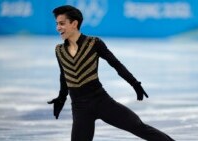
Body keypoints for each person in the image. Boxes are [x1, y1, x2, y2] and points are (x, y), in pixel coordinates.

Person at [48, 5, 175, 141]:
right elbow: (64, 74)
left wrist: (134, 83)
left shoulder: (93, 43)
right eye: (57, 24)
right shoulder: (59, 50)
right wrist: (62, 97)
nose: (58, 27)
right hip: (80, 108)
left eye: (62, 23)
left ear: (74, 24)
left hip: (101, 102)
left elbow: (116, 64)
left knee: (139, 127)